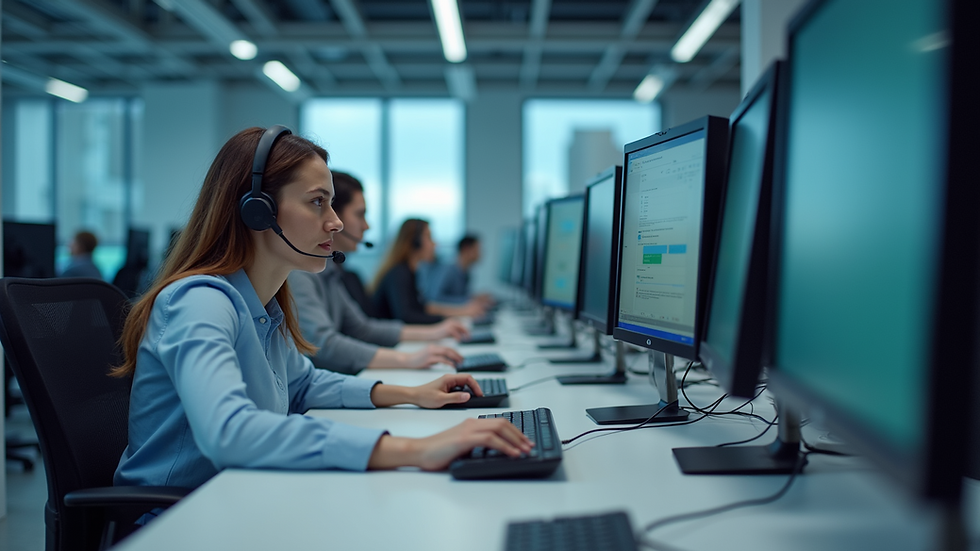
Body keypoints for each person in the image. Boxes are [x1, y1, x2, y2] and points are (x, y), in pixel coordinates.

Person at [112, 126, 531, 492]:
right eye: (317, 202)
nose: (335, 222)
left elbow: (304, 385)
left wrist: (412, 393)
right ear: (257, 211)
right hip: (178, 520)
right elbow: (229, 431)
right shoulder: (200, 302)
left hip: (241, 497)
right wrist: (414, 449)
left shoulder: (263, 307)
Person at [288, 171, 470, 375]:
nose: (367, 226)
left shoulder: (330, 270)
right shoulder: (300, 272)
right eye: (360, 214)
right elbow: (323, 344)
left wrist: (435, 333)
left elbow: (362, 329)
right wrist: (406, 359)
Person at [370, 219, 487, 324]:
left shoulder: (412, 272)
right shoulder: (399, 273)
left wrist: (458, 313)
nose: (435, 244)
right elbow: (407, 316)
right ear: (415, 242)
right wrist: (447, 320)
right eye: (429, 238)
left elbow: (421, 308)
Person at [424, 234, 495, 308]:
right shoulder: (448, 270)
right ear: (467, 249)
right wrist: (468, 301)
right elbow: (435, 298)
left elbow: (458, 296)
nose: (481, 253)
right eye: (478, 249)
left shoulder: (466, 273)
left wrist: (474, 298)